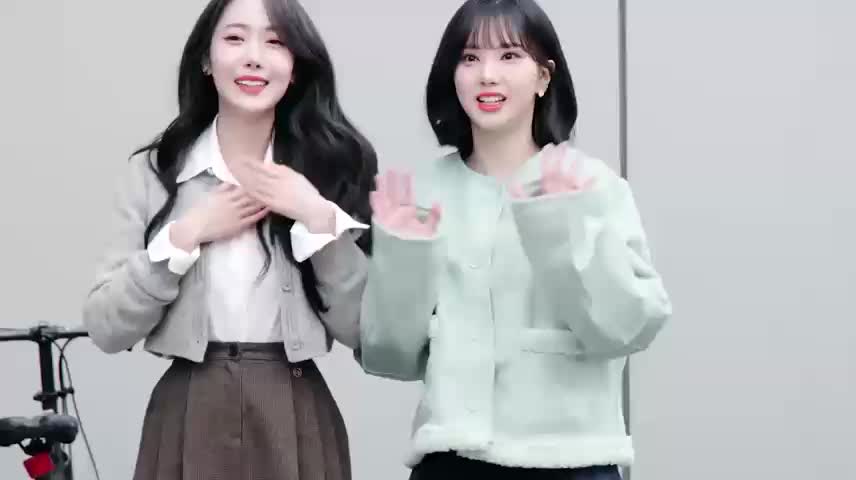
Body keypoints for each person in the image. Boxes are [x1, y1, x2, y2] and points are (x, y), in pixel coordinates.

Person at [358, 0, 672, 478]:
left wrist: (559, 228)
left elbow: (628, 327)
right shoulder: (422, 193)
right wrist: (402, 258)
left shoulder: (592, 184)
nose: (488, 75)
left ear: (544, 77)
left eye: (509, 56)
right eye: (469, 58)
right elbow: (388, 355)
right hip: (450, 462)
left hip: (571, 460)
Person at [82, 0, 376, 478]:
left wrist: (316, 217)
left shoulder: (331, 169)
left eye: (276, 41)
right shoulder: (155, 173)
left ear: (296, 66)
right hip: (187, 410)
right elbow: (106, 328)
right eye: (235, 38)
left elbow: (366, 333)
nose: (253, 57)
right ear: (206, 58)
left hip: (295, 409)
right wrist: (185, 235)